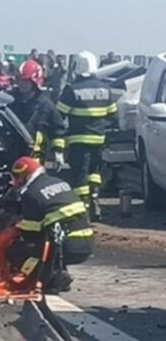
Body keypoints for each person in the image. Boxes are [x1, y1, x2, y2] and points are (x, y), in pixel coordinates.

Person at [4, 156, 94, 294]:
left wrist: (14, 227)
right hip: (86, 241)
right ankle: (59, 274)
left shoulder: (31, 194)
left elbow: (30, 233)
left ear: (24, 175)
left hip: (68, 246)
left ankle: (52, 279)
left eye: (16, 176)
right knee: (51, 236)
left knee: (16, 252)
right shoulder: (59, 182)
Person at [57, 51, 118, 220]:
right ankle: (95, 198)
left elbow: (59, 115)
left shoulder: (71, 89)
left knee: (80, 174)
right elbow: (113, 115)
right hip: (99, 139)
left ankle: (82, 208)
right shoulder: (105, 89)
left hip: (78, 140)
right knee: (94, 172)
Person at [11, 59, 66, 163]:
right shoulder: (10, 101)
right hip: (12, 156)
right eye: (20, 80)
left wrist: (58, 151)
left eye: (25, 81)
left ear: (34, 81)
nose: (21, 84)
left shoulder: (46, 105)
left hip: (35, 158)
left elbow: (58, 129)